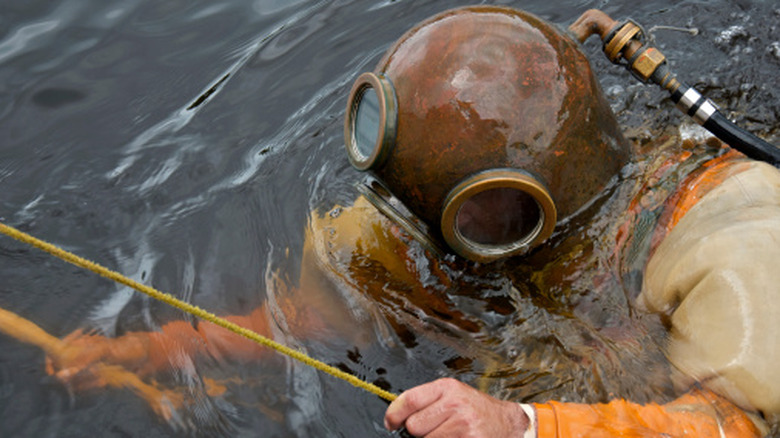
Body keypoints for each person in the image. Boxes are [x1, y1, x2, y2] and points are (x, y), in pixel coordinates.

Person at [45, 6, 780, 437]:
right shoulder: (432, 223)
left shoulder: (732, 231)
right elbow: (309, 316)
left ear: (538, 198)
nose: (420, 239)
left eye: (464, 214)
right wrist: (157, 348)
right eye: (415, 203)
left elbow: (733, 423)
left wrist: (520, 425)